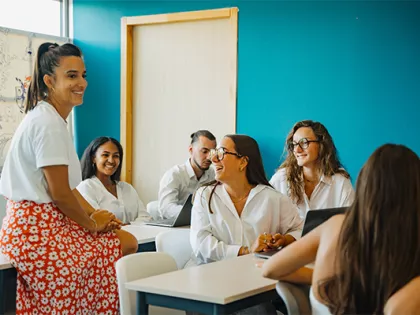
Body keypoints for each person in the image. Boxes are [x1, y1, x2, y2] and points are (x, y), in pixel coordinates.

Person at [0, 42, 137, 314]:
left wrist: (98, 214)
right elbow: (60, 192)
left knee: (125, 240)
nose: (81, 83)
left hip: (46, 224)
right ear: (49, 81)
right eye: (71, 76)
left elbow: (70, 190)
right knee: (121, 245)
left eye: (83, 75)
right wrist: (91, 224)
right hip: (35, 231)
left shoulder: (51, 119)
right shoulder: (47, 123)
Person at [262, 144, 420, 314]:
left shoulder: (335, 225)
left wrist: (321, 278)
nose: (298, 149)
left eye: (305, 143)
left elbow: (270, 268)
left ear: (364, 186)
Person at [190, 134, 303, 265]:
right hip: (213, 276)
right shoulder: (205, 195)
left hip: (258, 277)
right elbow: (201, 244)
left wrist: (283, 240)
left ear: (243, 162)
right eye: (215, 152)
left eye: (221, 153)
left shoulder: (274, 198)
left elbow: (300, 230)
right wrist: (246, 251)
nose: (213, 159)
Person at [270, 120, 354, 219]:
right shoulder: (281, 179)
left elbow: (349, 224)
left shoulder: (340, 182)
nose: (297, 150)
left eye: (304, 142)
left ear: (322, 144)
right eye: (294, 144)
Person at [77, 137, 151, 224]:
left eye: (116, 156)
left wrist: (128, 226)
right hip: (105, 237)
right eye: (105, 155)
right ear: (93, 158)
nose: (111, 160)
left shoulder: (127, 188)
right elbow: (97, 221)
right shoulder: (86, 187)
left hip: (137, 237)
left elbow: (146, 217)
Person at [158, 130, 217, 219]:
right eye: (204, 151)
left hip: (202, 226)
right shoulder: (174, 175)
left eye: (212, 152)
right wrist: (197, 213)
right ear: (191, 150)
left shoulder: (212, 174)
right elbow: (166, 209)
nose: (209, 157)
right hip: (176, 229)